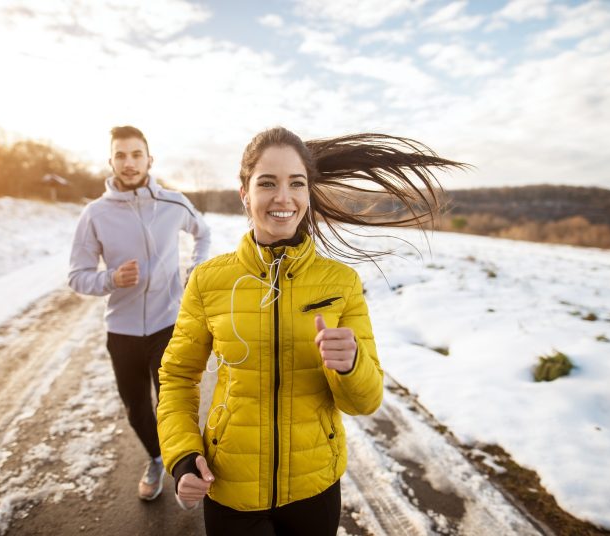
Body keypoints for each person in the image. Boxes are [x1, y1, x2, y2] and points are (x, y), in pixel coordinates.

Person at [157, 126, 464, 534]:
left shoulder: (341, 283)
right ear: (244, 193)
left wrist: (351, 364)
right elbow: (177, 376)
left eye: (295, 183)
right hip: (230, 484)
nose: (283, 198)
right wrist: (181, 455)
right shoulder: (210, 281)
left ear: (308, 193)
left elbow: (366, 401)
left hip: (315, 488)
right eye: (267, 183)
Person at [68, 125, 211, 501]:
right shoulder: (95, 214)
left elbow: (204, 232)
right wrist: (111, 279)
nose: (128, 163)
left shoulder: (173, 203)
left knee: (172, 402)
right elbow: (77, 277)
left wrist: (196, 267)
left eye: (136, 154)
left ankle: (183, 470)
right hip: (123, 330)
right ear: (110, 161)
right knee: (136, 409)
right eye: (120, 155)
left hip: (168, 323)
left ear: (150, 159)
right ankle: (155, 457)